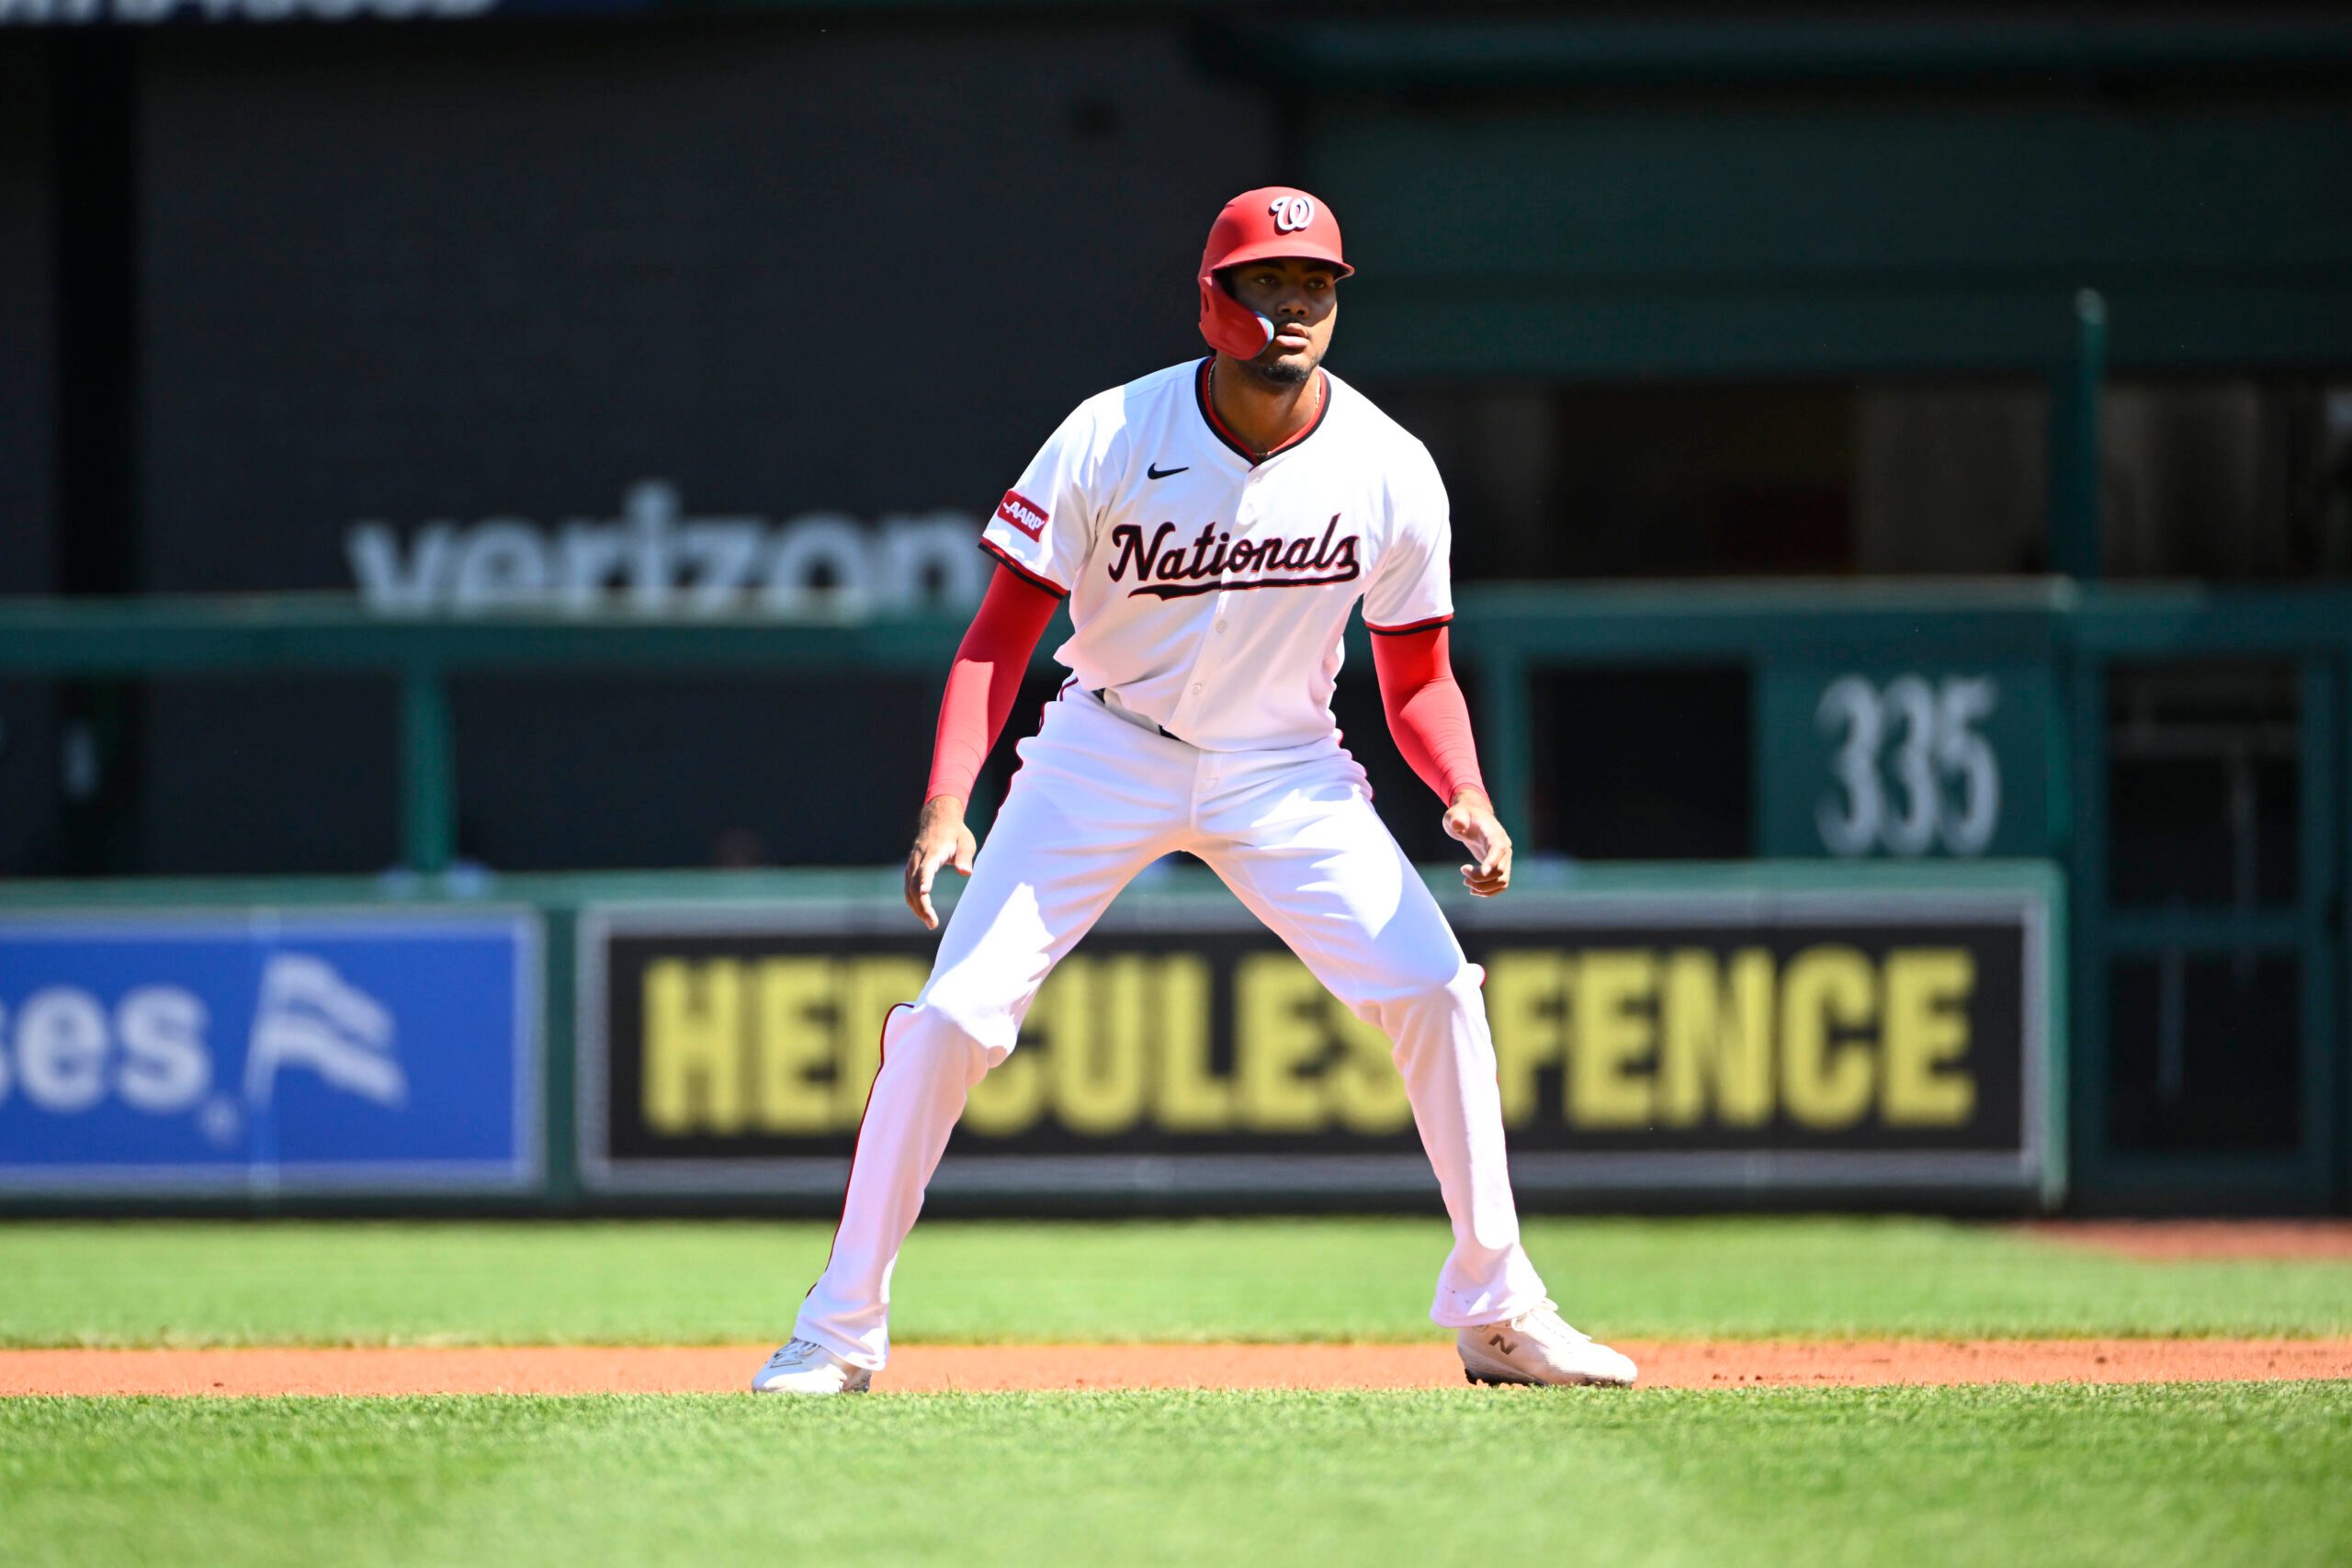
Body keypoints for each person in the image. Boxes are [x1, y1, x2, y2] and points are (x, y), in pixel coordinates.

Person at [754, 187, 1636, 1394]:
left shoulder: (1386, 466)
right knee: (952, 1020)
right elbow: (996, 640)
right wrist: (947, 802)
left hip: (1285, 766)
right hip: (1104, 749)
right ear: (1211, 302)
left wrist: (1465, 794)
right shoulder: (1109, 434)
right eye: (1268, 285)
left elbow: (1416, 671)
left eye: (1315, 286)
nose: (1294, 308)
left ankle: (1497, 1311)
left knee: (1437, 989)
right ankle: (838, 1330)